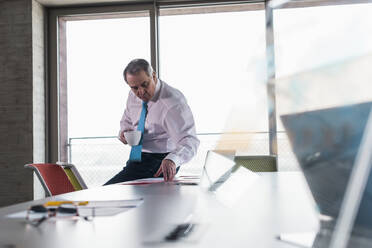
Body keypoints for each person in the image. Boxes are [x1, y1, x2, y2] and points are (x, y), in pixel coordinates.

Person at [104, 59, 199, 185]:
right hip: (137, 158)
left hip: (161, 161)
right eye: (135, 87)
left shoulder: (173, 103)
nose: (141, 91)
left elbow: (190, 140)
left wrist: (173, 159)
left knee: (109, 191)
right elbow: (127, 119)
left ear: (153, 76)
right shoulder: (133, 95)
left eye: (145, 84)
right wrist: (124, 131)